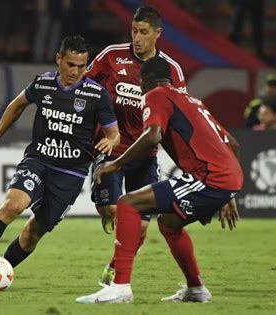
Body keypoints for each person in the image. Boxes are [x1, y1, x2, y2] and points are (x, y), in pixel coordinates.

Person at [76, 57, 243, 304]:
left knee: (128, 204)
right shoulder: (193, 101)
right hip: (224, 178)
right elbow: (235, 145)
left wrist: (117, 163)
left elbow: (152, 136)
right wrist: (229, 194)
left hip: (209, 178)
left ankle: (120, 287)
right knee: (169, 224)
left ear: (143, 81)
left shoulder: (156, 95)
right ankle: (196, 289)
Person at [0, 35, 120, 283]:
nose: (76, 71)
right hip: (39, 160)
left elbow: (114, 134)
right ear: (59, 59)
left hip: (71, 173)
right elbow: (17, 104)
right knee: (13, 204)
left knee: (33, 233)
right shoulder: (42, 85)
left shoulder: (96, 95)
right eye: (70, 65)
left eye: (81, 66)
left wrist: (110, 141)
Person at [84, 5, 186, 286]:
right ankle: (107, 213)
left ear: (157, 34)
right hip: (111, 147)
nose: (137, 38)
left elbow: (180, 114)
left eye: (143, 32)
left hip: (145, 152)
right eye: (134, 31)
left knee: (140, 224)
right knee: (111, 211)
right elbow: (84, 87)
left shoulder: (171, 70)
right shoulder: (111, 56)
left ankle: (114, 269)